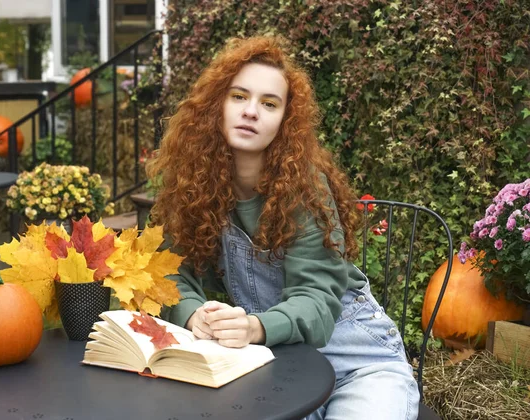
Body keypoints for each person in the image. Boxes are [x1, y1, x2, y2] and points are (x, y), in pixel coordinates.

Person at [147, 36, 419, 420]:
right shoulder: (193, 186)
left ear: (285, 121)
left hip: (357, 365)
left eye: (269, 103)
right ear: (215, 106)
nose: (251, 112)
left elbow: (316, 300)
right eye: (239, 97)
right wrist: (193, 315)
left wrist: (254, 326)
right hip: (277, 369)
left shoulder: (304, 187)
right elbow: (166, 270)